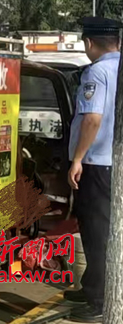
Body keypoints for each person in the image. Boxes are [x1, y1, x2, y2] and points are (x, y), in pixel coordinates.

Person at [65, 16, 122, 323]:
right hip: (115, 163)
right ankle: (93, 286)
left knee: (96, 231)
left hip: (96, 164)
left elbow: (92, 119)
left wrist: (77, 159)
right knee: (108, 230)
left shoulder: (97, 71)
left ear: (88, 43)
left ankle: (98, 300)